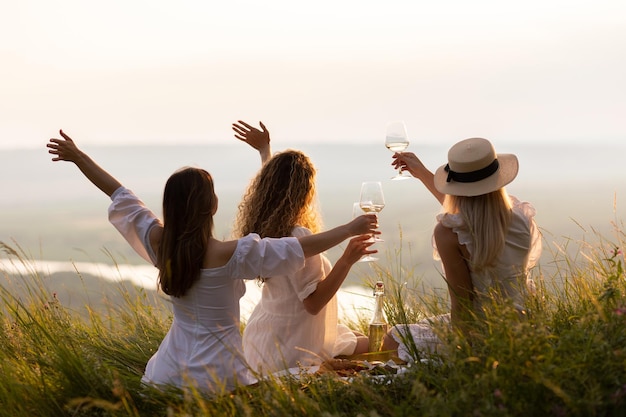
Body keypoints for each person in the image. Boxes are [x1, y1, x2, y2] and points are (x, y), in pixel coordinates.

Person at [46, 130, 378, 393]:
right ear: (212, 207)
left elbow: (119, 194)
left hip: (168, 373)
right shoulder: (232, 255)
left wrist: (79, 158)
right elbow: (297, 247)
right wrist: (349, 229)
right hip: (219, 379)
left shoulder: (160, 243)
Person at [231, 120, 374, 374]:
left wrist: (266, 152)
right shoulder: (299, 235)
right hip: (293, 348)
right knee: (377, 343)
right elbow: (313, 304)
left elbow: (275, 186)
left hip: (263, 342)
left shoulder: (265, 227)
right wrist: (346, 260)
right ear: (305, 192)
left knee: (355, 336)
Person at [382, 137, 542, 361]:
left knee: (394, 338)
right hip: (526, 324)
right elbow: (471, 216)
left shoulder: (447, 233)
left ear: (454, 184)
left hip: (481, 334)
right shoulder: (521, 217)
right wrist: (422, 173)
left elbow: (462, 307)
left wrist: (464, 357)